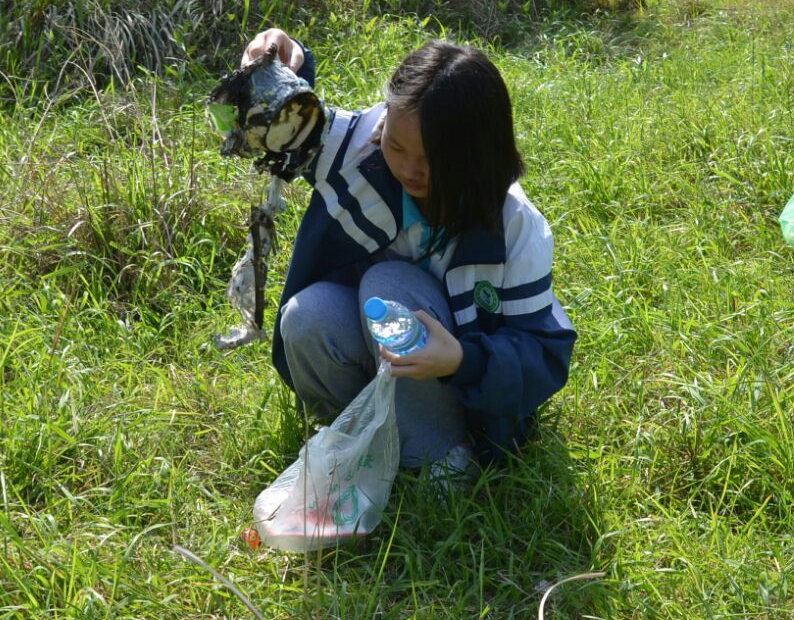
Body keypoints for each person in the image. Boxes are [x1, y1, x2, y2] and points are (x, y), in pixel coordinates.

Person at [238, 28, 575, 476]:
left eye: (434, 159)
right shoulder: (363, 151)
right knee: (304, 316)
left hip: (465, 392)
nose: (410, 169)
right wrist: (280, 60)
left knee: (388, 285)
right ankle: (361, 442)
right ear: (384, 125)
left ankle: (442, 459)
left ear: (476, 155)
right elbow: (289, 122)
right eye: (396, 146)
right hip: (386, 360)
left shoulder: (513, 225)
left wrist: (460, 359)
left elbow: (543, 355)